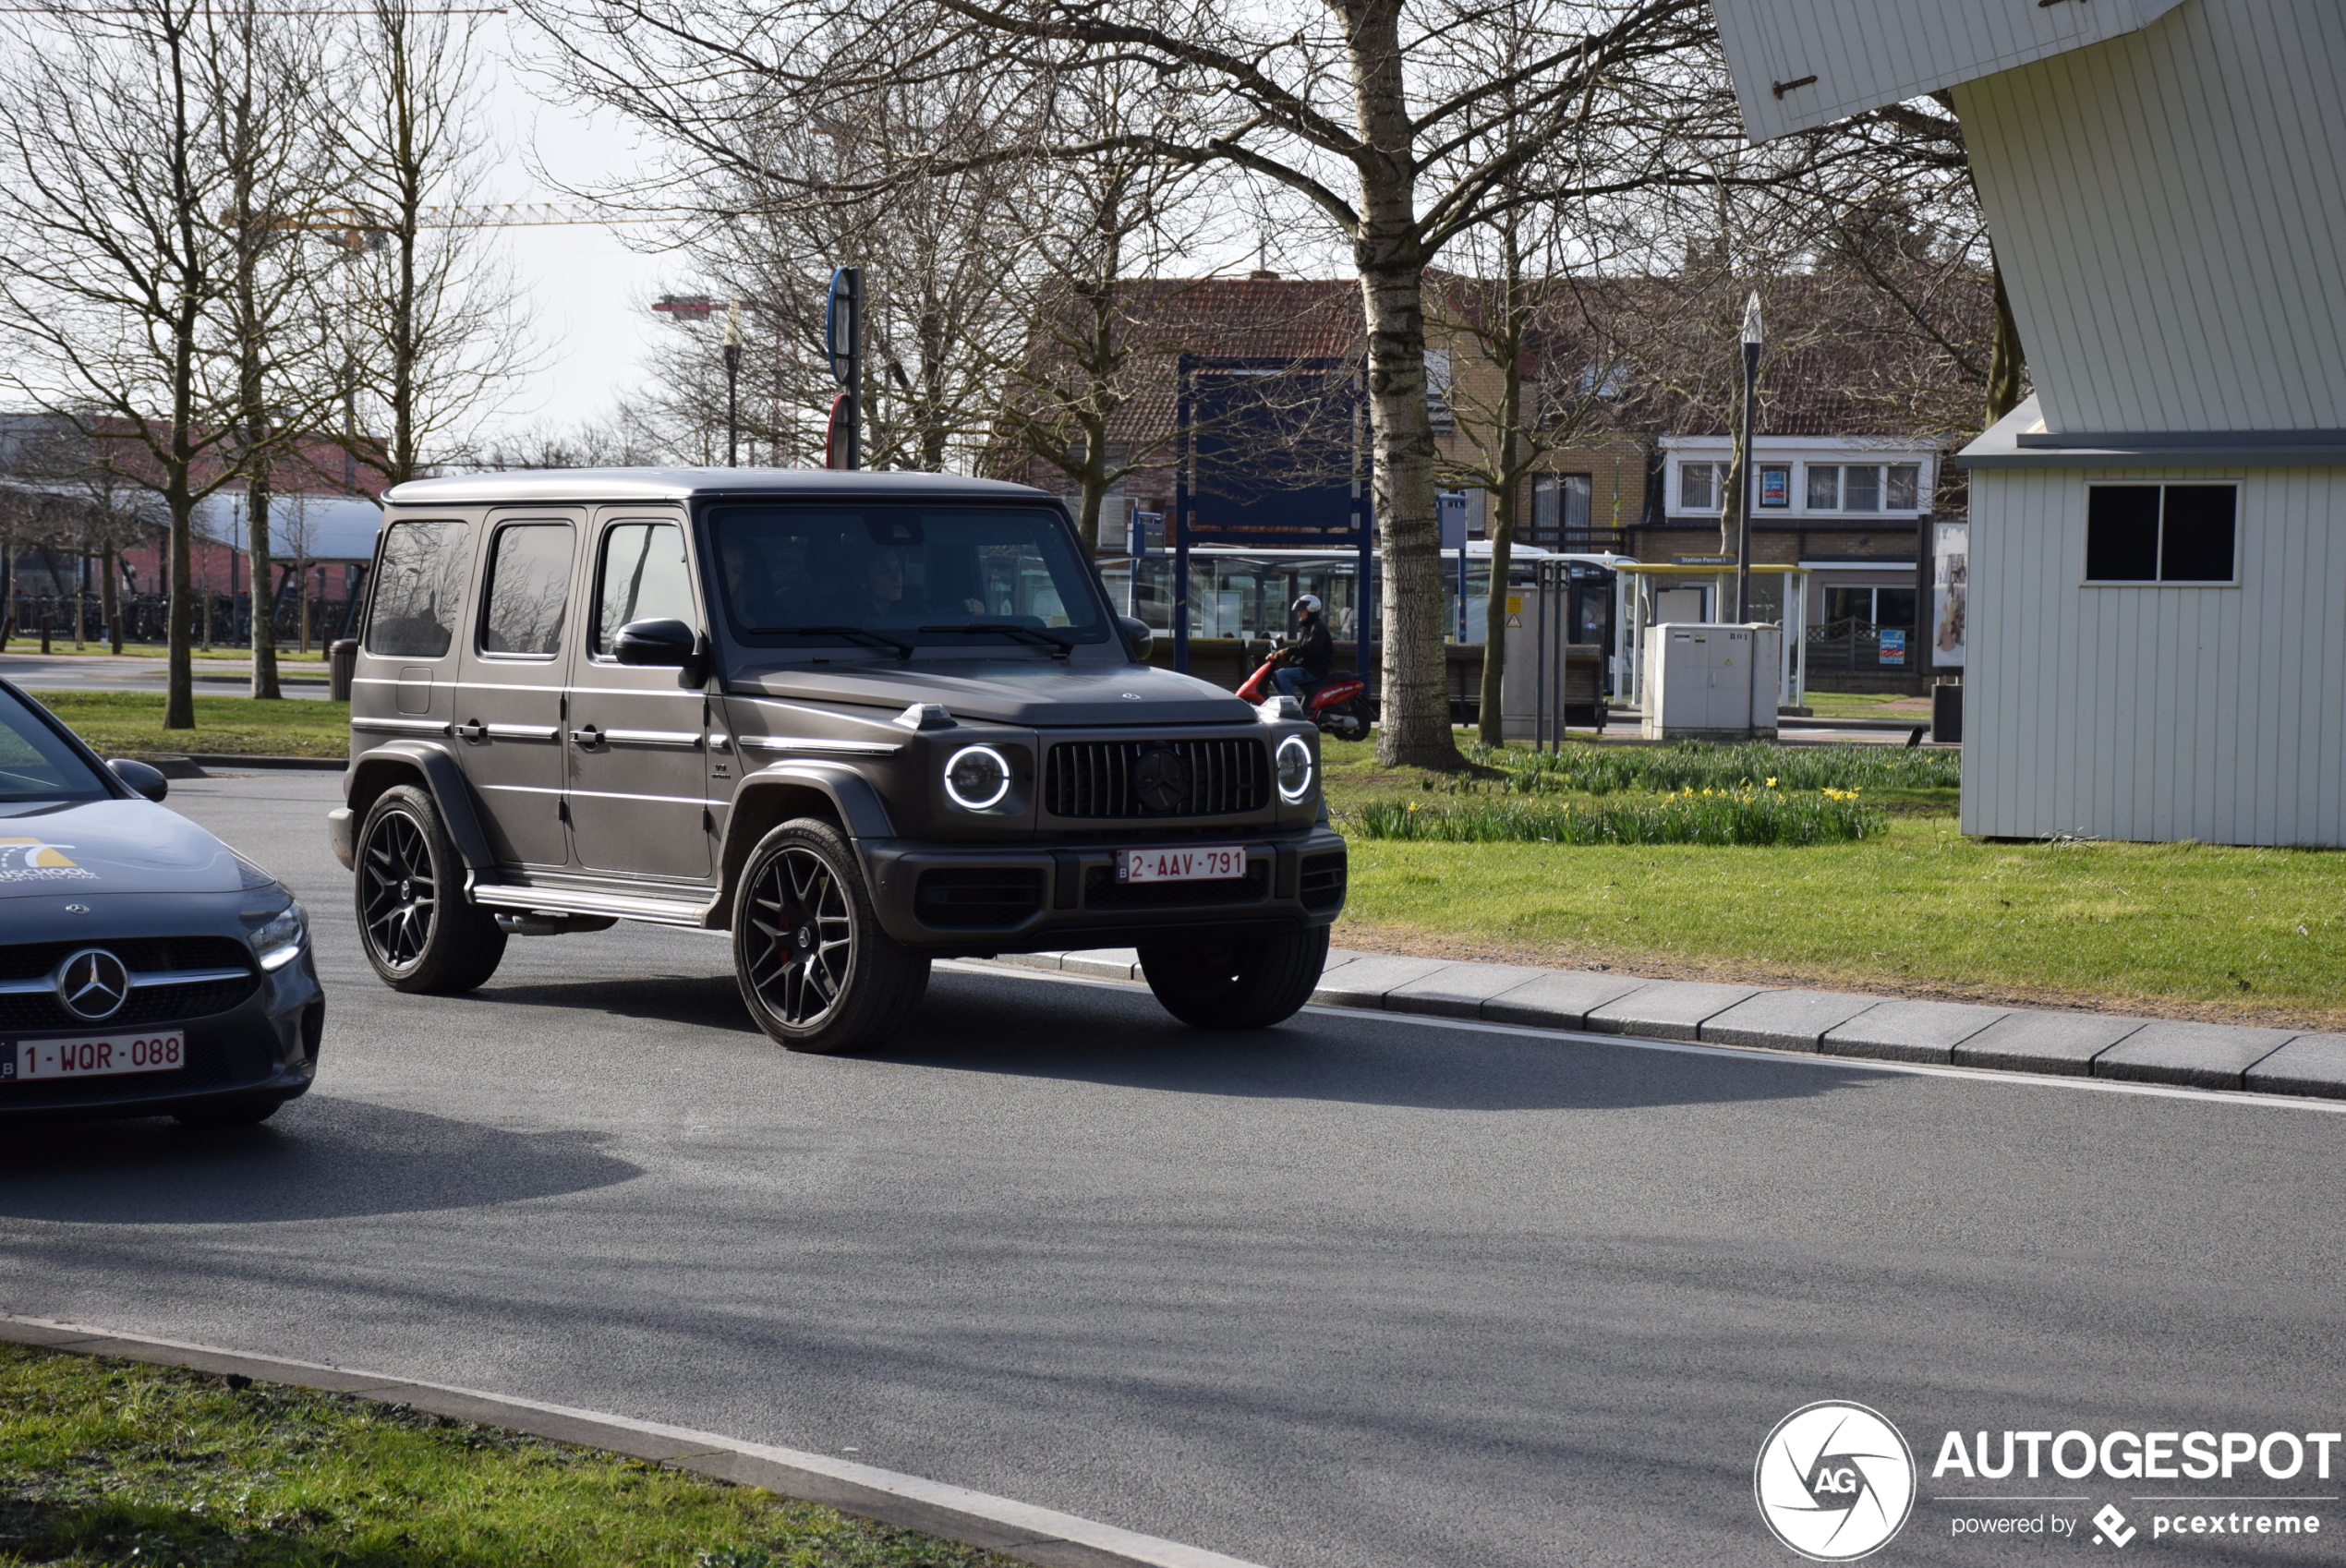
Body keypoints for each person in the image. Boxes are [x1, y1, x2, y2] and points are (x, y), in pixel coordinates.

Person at [1273, 594, 1333, 705]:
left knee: (1282, 675)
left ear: (1311, 610)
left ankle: (1292, 708)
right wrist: (1286, 656)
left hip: (1314, 670)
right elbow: (1302, 651)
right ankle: (1286, 705)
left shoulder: (1318, 628)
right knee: (1275, 676)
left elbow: (1311, 649)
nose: (1299, 614)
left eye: (1302, 611)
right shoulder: (1307, 628)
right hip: (1308, 668)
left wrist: (1288, 651)